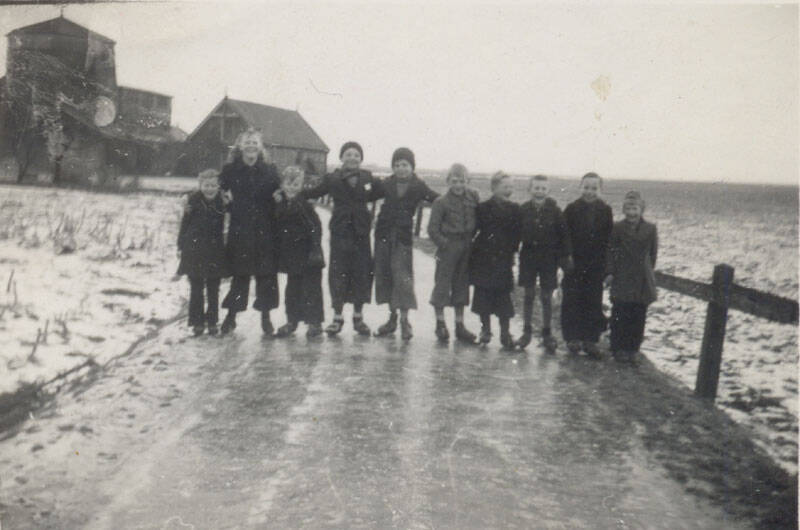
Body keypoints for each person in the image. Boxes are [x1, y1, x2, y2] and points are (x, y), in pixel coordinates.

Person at [298, 141, 384, 336]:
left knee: (362, 273)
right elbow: (314, 192)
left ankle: (358, 317)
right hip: (340, 232)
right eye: (348, 154)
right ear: (342, 158)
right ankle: (337, 317)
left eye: (356, 155)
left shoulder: (368, 178)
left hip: (361, 233)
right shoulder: (333, 179)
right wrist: (293, 194)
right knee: (338, 273)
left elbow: (385, 191)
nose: (352, 158)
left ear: (361, 159)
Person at [218, 128, 281, 336]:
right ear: (240, 146)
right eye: (247, 142)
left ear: (260, 147)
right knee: (240, 274)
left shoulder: (270, 170)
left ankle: (266, 318)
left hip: (265, 228)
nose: (251, 146)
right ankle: (231, 317)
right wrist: (228, 205)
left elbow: (280, 193)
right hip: (241, 227)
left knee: (266, 275)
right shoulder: (230, 169)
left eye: (255, 143)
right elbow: (217, 190)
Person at [373, 148, 439, 341]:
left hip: (402, 237)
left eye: (405, 165)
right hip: (383, 234)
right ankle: (392, 318)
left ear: (412, 167)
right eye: (397, 165)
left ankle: (404, 320)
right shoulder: (386, 184)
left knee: (403, 278)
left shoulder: (418, 186)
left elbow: (438, 199)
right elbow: (364, 194)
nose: (401, 168)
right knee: (386, 276)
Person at [516, 175, 572, 351]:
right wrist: (511, 251)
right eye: (536, 188)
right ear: (530, 190)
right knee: (529, 294)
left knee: (547, 296)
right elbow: (515, 233)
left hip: (549, 258)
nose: (539, 192)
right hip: (528, 257)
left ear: (548, 191)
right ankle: (526, 332)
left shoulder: (555, 211)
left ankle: (547, 333)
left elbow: (564, 235)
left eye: (543, 188)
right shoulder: (523, 209)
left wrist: (566, 255)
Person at [561, 172, 614, 358]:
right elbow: (564, 236)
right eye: (586, 187)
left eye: (594, 188)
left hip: (595, 265)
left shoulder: (605, 210)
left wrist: (608, 268)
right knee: (571, 300)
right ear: (580, 187)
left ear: (600, 190)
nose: (589, 191)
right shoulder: (571, 209)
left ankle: (590, 340)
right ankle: (572, 338)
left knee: (593, 301)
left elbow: (608, 240)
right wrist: (566, 258)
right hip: (574, 264)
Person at [427, 163, 479, 344]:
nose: (458, 185)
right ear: (448, 181)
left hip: (466, 246)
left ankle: (460, 325)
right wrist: (445, 244)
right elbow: (432, 229)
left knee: (461, 285)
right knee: (442, 284)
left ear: (467, 181)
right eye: (454, 181)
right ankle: (440, 324)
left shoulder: (473, 197)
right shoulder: (440, 202)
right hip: (448, 247)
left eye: (462, 181)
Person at [469, 171, 522, 349]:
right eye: (505, 187)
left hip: (503, 260)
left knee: (503, 298)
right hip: (483, 258)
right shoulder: (483, 208)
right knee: (483, 296)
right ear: (493, 188)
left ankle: (505, 334)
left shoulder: (515, 209)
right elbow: (475, 230)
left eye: (511, 187)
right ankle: (485, 330)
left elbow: (517, 234)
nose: (509, 190)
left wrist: (512, 251)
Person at [604, 191, 658, 364]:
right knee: (620, 312)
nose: (631, 212)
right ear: (623, 209)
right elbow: (610, 251)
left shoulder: (650, 229)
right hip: (622, 275)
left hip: (641, 278)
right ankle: (617, 348)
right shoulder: (617, 227)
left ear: (642, 209)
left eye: (635, 208)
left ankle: (633, 349)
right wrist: (610, 272)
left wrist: (648, 273)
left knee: (638, 314)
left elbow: (653, 254)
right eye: (628, 208)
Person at [273, 166, 325, 338]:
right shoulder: (281, 203)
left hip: (308, 253)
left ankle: (315, 323)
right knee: (292, 289)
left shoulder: (304, 204)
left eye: (296, 184)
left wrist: (315, 248)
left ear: (301, 185)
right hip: (291, 254)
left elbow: (316, 227)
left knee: (311, 289)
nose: (291, 188)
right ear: (282, 184)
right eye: (288, 183)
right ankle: (292, 321)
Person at [176, 169, 229, 336]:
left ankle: (212, 321)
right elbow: (184, 224)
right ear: (200, 186)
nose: (210, 189)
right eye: (206, 185)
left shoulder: (223, 202)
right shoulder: (192, 202)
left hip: (215, 250)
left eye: (213, 185)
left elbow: (231, 219)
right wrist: (180, 245)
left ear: (218, 186)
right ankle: (197, 322)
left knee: (213, 288)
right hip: (194, 250)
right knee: (196, 287)